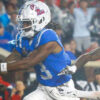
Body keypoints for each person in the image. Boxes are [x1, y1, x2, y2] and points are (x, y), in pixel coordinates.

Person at [1, 1, 100, 100]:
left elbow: (29, 63)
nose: (23, 26)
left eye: (27, 22)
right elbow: (15, 55)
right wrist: (3, 65)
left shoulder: (48, 36)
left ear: (40, 20)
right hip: (43, 88)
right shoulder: (23, 37)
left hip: (62, 88)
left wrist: (2, 67)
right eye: (22, 22)